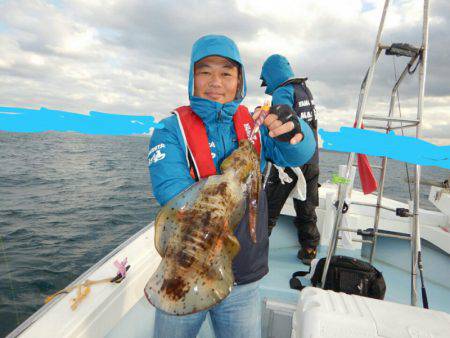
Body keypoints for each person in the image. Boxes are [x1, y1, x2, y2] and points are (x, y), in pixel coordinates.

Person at [147, 35, 316, 338]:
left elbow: (299, 153)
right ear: (192, 77)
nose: (216, 81)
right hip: (182, 271)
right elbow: (171, 192)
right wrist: (231, 180)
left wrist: (296, 130)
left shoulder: (256, 125)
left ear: (239, 81)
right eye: (205, 72)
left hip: (244, 275)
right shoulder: (169, 130)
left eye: (226, 73)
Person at [260, 54, 320, 265]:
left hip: (289, 164)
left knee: (266, 211)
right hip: (312, 159)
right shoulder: (304, 89)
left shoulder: (282, 91)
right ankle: (309, 250)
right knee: (306, 208)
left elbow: (281, 121)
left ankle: (254, 254)